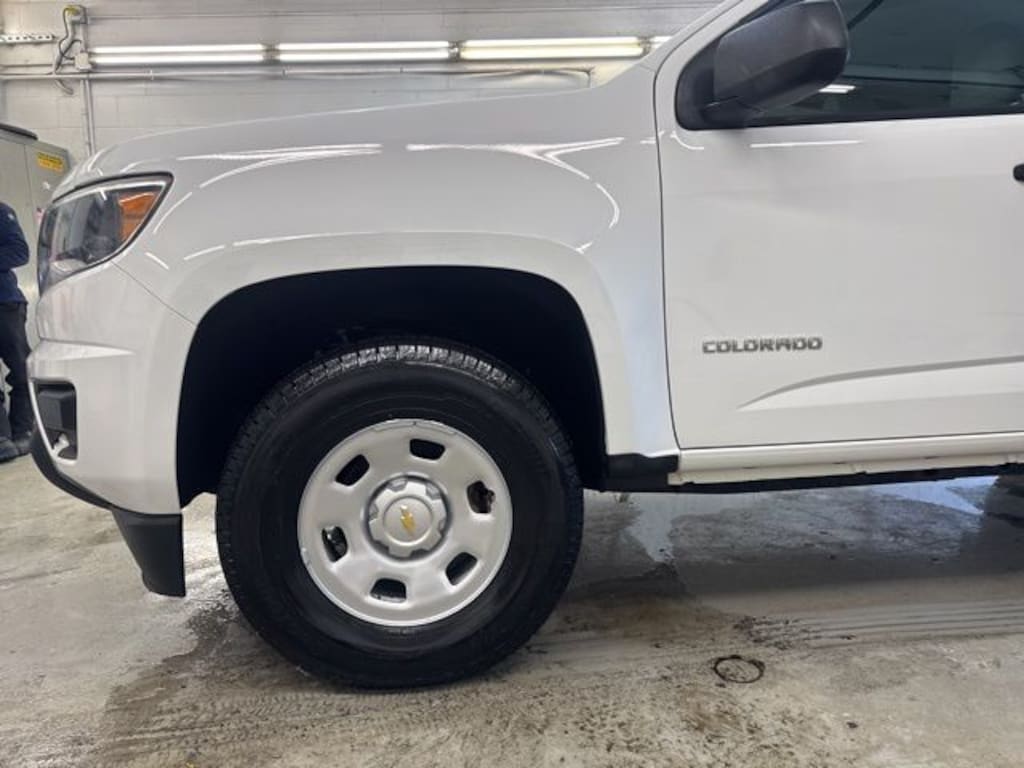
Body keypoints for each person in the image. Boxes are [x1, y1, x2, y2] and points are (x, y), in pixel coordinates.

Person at [0, 201, 32, 463]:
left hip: (5, 304)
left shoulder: (1, 211)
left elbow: (20, 251)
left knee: (21, 369)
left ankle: (24, 431)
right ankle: (2, 437)